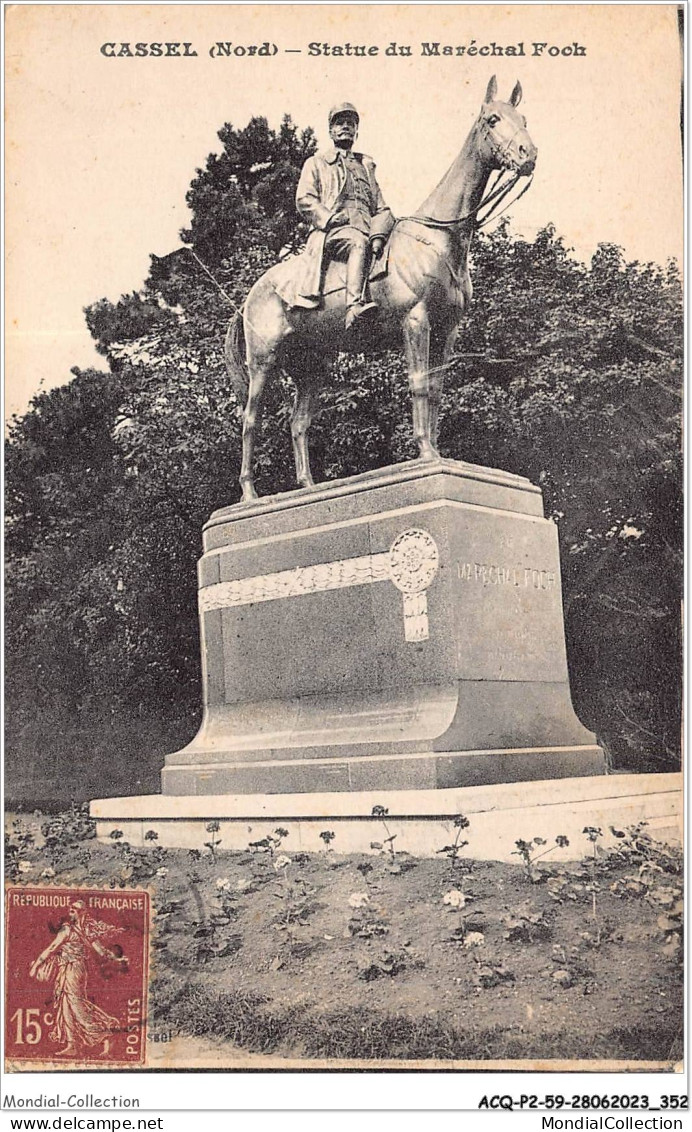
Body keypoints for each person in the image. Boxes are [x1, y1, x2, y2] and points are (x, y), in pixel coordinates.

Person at [293, 102, 395, 328]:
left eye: (351, 123)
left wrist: (378, 234)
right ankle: (353, 308)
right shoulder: (317, 163)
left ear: (357, 132)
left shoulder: (366, 166)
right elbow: (304, 199)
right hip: (333, 233)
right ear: (331, 131)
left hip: (368, 230)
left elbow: (382, 208)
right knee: (358, 243)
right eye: (340, 123)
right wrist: (328, 218)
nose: (346, 127)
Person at [29, 900, 126, 1057]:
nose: (71, 910)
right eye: (71, 908)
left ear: (83, 912)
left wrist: (35, 967)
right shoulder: (72, 929)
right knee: (65, 1005)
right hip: (67, 970)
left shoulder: (78, 931)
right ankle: (72, 1044)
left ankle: (106, 1034)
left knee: (76, 1006)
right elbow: (54, 948)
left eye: (75, 908)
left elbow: (54, 948)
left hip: (74, 970)